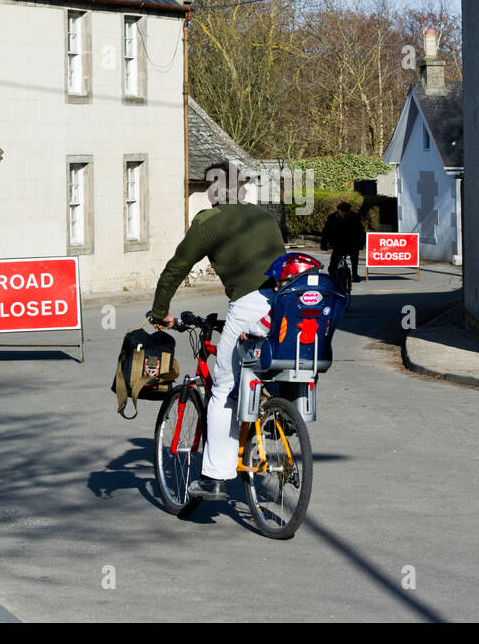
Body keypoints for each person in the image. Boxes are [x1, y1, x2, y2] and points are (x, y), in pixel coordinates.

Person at [149, 161, 288, 502]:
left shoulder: (209, 222)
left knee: (224, 387)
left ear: (213, 190)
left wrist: (159, 312)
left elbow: (177, 267)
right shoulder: (264, 217)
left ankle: (214, 477)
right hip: (283, 305)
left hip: (248, 305)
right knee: (257, 370)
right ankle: (273, 419)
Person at [321, 201, 365, 283]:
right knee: (333, 262)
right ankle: (332, 276)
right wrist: (323, 244)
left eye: (346, 212)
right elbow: (326, 232)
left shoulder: (354, 217)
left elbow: (361, 232)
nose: (344, 213)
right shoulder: (332, 217)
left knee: (354, 257)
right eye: (342, 212)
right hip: (338, 243)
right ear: (338, 210)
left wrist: (361, 244)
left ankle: (354, 274)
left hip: (352, 243)